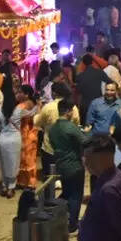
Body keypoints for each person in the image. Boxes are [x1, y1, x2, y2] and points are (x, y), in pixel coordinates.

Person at [50, 98, 86, 232]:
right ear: (68, 112)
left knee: (67, 192)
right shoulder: (70, 127)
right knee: (75, 196)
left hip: (61, 164)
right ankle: (72, 224)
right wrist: (87, 132)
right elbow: (85, 141)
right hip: (74, 165)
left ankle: (59, 216)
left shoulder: (53, 128)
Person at [0, 86, 38, 197]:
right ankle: (12, 187)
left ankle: (5, 186)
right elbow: (31, 114)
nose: (17, 95)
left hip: (3, 138)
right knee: (15, 163)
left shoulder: (0, 112)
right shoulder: (18, 110)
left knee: (4, 163)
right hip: (18, 137)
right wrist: (38, 105)